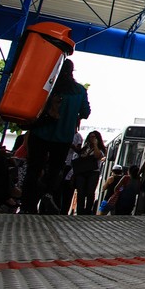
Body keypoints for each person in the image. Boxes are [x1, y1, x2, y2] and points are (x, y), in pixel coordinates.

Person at [20, 59, 90, 214]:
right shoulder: (79, 91)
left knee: (34, 168)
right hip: (63, 137)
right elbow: (85, 112)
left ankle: (27, 206)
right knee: (55, 169)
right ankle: (48, 193)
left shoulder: (49, 86)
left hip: (40, 133)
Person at [71, 130, 105, 215]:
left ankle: (88, 211)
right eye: (90, 137)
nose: (91, 138)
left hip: (93, 172)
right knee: (80, 192)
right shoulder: (85, 147)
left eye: (93, 137)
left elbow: (98, 156)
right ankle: (80, 211)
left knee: (90, 192)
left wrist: (95, 145)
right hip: (82, 172)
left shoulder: (100, 148)